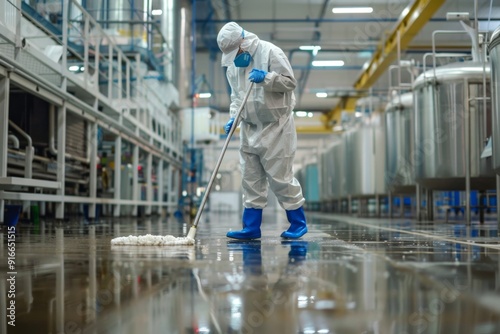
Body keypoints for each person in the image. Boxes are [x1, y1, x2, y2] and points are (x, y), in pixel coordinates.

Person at [216, 21, 307, 240]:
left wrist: (267, 78)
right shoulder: (232, 67)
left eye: (236, 52)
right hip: (249, 128)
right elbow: (237, 97)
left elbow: (289, 83)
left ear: (244, 42)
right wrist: (234, 118)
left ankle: (298, 223)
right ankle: (251, 228)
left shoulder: (270, 52)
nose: (235, 57)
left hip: (276, 127)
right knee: (250, 178)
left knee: (280, 177)